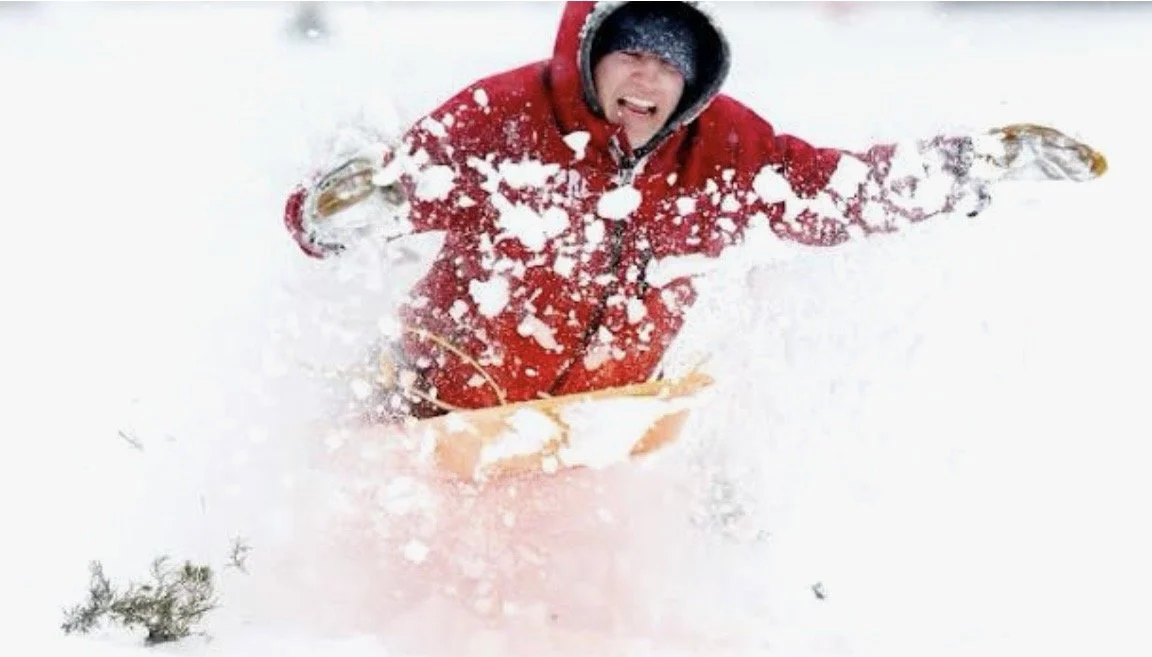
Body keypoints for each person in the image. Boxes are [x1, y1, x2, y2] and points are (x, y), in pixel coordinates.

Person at [283, 1, 1105, 422]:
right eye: (631, 55)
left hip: (592, 427)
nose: (645, 81)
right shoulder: (504, 118)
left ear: (694, 78)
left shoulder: (726, 148)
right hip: (435, 416)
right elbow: (382, 197)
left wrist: (974, 167)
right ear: (593, 53)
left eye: (667, 67)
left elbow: (836, 194)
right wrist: (332, 214)